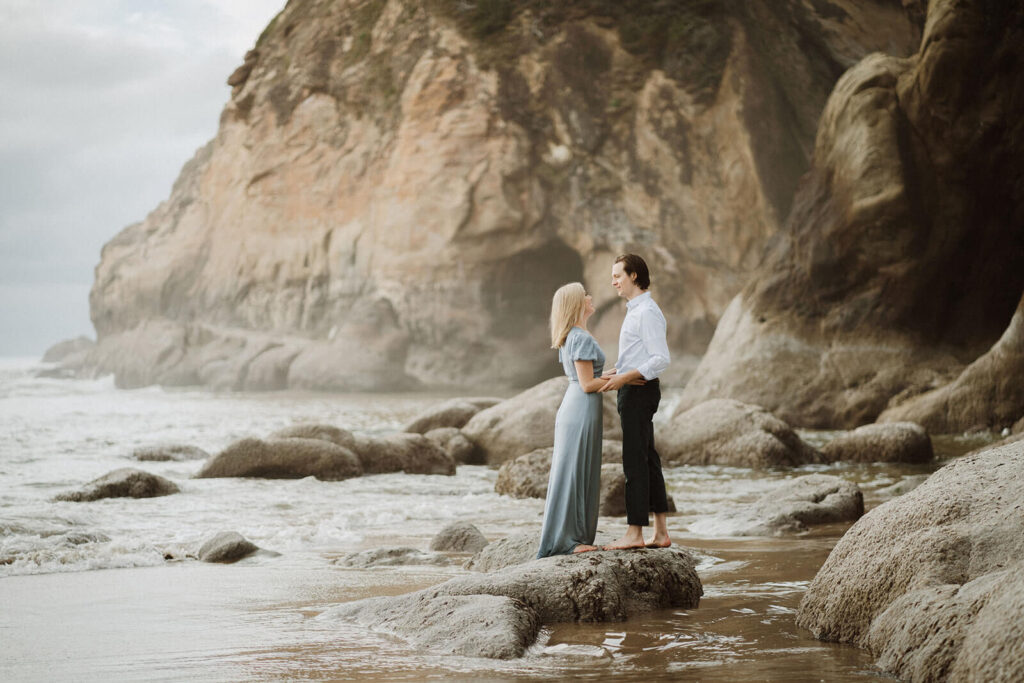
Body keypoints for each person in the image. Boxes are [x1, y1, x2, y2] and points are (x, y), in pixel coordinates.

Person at [600, 254, 672, 550]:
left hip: (638, 391)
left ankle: (634, 533)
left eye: (618, 275)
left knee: (634, 461)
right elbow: (639, 355)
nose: (614, 281)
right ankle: (661, 532)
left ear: (634, 276)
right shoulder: (637, 310)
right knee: (648, 459)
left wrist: (624, 379)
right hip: (634, 386)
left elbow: (661, 359)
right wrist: (618, 371)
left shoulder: (646, 312)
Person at [536, 282, 608, 557]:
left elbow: (585, 377)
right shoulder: (581, 337)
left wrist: (612, 374)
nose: (590, 297)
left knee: (574, 469)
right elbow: (588, 384)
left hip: (575, 404)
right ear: (577, 304)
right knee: (577, 470)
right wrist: (623, 381)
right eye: (585, 295)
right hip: (582, 405)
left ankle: (571, 535)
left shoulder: (573, 336)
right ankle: (571, 541)